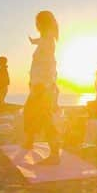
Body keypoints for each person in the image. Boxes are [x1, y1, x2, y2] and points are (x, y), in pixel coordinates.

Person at [22, 10, 60, 164]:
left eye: (37, 21)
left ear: (42, 23)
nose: (35, 24)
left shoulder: (48, 40)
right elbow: (41, 42)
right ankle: (30, 141)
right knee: (32, 113)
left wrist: (43, 86)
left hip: (42, 87)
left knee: (44, 117)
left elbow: (50, 64)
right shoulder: (46, 39)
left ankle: (54, 154)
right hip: (39, 85)